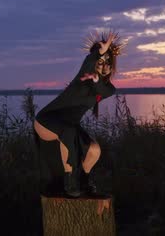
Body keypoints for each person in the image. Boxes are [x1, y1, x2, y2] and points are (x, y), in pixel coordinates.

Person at [33, 31, 124, 197]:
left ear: (112, 66)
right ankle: (70, 184)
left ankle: (84, 181)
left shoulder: (109, 89)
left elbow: (101, 89)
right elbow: (89, 63)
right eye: (100, 62)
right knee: (68, 132)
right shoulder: (82, 77)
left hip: (69, 126)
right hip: (46, 121)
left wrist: (97, 77)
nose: (103, 66)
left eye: (107, 62)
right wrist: (99, 52)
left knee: (94, 150)